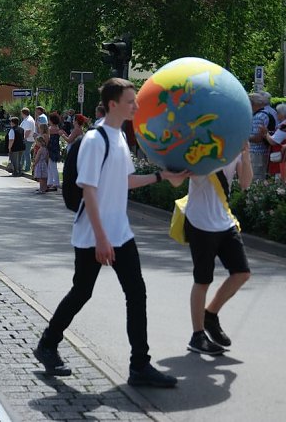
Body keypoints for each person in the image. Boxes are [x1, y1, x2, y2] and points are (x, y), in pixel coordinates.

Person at [34, 78, 181, 387]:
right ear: (114, 104)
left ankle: (140, 365)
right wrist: (101, 238)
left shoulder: (119, 138)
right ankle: (48, 344)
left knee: (136, 293)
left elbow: (125, 181)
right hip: (93, 234)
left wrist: (160, 176)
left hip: (120, 232)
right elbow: (88, 189)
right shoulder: (95, 140)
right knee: (82, 292)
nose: (136, 106)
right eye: (131, 101)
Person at [170, 143, 253, 355]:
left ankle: (210, 314)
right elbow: (179, 179)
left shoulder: (234, 147)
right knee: (203, 279)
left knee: (242, 273)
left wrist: (245, 154)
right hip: (199, 222)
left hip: (224, 221)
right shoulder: (201, 144)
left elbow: (245, 183)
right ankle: (197, 336)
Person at [263, 103, 286, 181]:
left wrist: (266, 133)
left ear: (283, 114)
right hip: (281, 157)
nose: (276, 114)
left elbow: (273, 141)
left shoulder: (284, 125)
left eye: (278, 112)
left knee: (280, 181)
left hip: (280, 158)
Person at [248, 93, 273, 182]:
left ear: (253, 104)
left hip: (257, 153)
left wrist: (244, 137)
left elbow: (257, 138)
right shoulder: (266, 114)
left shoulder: (259, 116)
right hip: (262, 152)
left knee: (256, 179)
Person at [46, 113, 68, 192]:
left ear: (51, 120)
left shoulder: (50, 129)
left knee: (51, 166)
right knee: (52, 165)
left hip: (50, 148)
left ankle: (54, 183)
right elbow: (65, 135)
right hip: (56, 148)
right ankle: (51, 182)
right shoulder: (58, 128)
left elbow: (47, 139)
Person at [20, 108, 36, 172]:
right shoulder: (27, 119)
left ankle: (27, 167)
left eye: (21, 113)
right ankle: (22, 166)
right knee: (24, 153)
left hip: (27, 139)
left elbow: (28, 131)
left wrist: (24, 138)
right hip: (27, 138)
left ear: (23, 113)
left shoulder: (28, 120)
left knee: (26, 153)